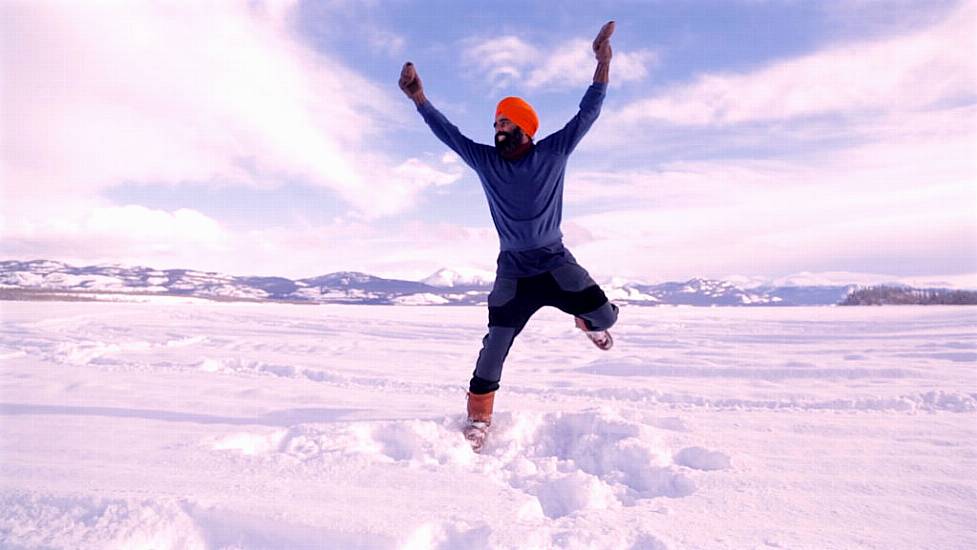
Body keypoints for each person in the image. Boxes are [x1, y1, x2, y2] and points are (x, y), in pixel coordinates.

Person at [399, 21, 620, 450]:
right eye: (495, 122)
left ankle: (585, 321)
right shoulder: (486, 161)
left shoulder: (554, 152)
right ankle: (479, 418)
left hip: (556, 263)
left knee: (607, 317)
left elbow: (588, 112)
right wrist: (419, 99)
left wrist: (603, 63)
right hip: (514, 271)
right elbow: (450, 135)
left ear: (525, 127)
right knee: (495, 343)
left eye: (505, 122)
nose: (497, 128)